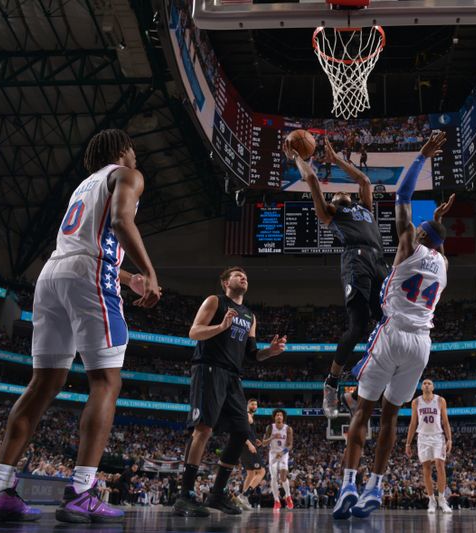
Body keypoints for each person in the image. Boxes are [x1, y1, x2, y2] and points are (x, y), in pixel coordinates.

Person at [0, 128, 161, 523]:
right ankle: (82, 491)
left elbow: (84, 242)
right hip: (89, 276)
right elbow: (124, 222)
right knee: (106, 382)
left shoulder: (83, 186)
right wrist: (150, 272)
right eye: (134, 152)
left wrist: (128, 278)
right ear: (123, 152)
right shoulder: (128, 175)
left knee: (44, 383)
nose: (137, 158)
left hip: (51, 277)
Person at [331, 132, 451, 520]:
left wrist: (421, 157)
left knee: (362, 410)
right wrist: (438, 222)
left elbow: (401, 195)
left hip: (394, 332)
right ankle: (374, 489)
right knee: (392, 415)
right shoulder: (443, 265)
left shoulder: (407, 247)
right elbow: (438, 241)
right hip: (423, 345)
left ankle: (348, 482)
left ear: (420, 237)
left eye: (419, 230)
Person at [285, 138, 389, 419]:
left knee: (389, 324)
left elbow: (365, 180)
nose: (341, 193)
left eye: (345, 192)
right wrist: (296, 156)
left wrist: (337, 160)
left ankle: (356, 391)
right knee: (357, 327)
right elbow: (312, 180)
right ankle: (331, 382)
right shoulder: (331, 213)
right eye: (335, 195)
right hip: (355, 259)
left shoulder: (365, 208)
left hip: (380, 260)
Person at [173, 267, 287, 517]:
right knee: (203, 429)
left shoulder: (250, 316)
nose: (244, 277)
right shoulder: (216, 301)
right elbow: (194, 331)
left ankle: (217, 493)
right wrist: (222, 326)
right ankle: (186, 494)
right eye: (237, 275)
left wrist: (271, 351)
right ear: (225, 282)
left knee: (241, 430)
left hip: (234, 376)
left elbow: (252, 354)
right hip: (209, 369)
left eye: (246, 275)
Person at [405, 379, 452, 513]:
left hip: (438, 436)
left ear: (433, 387)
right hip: (423, 437)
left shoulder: (440, 400)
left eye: (429, 383)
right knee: (426, 468)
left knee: (440, 465)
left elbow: (445, 421)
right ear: (421, 387)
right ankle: (431, 500)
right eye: (424, 383)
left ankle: (442, 499)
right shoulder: (416, 402)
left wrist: (450, 439)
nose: (426, 385)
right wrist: (408, 443)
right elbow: (413, 423)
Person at [262, 409, 294, 510]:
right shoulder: (270, 427)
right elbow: (264, 443)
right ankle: (276, 501)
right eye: (277, 415)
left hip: (283, 454)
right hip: (273, 454)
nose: (279, 416)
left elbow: (290, 445)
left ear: (283, 417)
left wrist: (283, 452)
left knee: (283, 477)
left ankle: (288, 496)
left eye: (280, 415)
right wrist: (271, 437)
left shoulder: (288, 428)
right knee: (274, 477)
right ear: (274, 417)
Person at [237, 398, 265, 510]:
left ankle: (243, 501)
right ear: (247, 405)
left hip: (245, 446)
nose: (254, 406)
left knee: (251, 474)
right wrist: (249, 444)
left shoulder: (249, 416)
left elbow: (249, 432)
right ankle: (244, 495)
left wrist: (255, 439)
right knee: (262, 471)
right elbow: (241, 431)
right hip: (247, 446)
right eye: (252, 404)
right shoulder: (247, 415)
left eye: (256, 404)